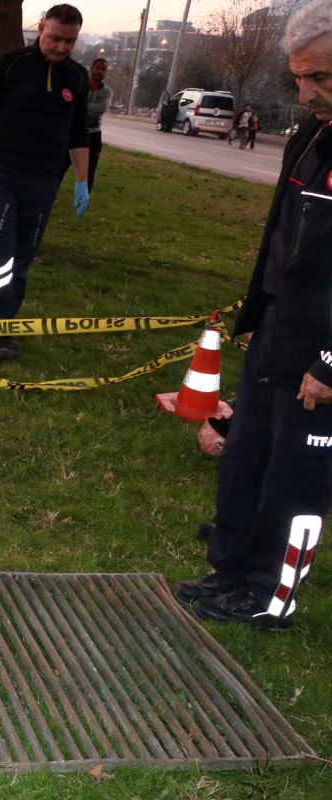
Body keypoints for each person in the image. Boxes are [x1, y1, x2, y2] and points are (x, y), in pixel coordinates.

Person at [175, 0, 332, 631]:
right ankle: (231, 570)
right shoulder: (311, 133)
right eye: (300, 77)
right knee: (246, 458)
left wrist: (328, 363)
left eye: (321, 76)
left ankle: (273, 597)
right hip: (275, 330)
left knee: (295, 482)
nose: (308, 91)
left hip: (320, 355)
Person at [0, 3, 89, 361]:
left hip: (44, 181)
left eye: (68, 41)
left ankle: (7, 319)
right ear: (41, 28)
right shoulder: (12, 64)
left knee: (23, 255)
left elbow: (78, 132)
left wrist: (81, 181)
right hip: (2, 174)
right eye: (55, 38)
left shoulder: (76, 76)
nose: (60, 47)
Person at [59, 58, 112, 190]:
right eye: (98, 68)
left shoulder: (107, 92)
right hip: (73, 132)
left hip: (93, 135)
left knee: (89, 169)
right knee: (60, 165)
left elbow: (102, 107)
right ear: (92, 68)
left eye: (103, 69)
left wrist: (81, 106)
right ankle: (51, 195)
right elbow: (69, 104)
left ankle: (84, 199)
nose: (100, 71)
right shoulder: (80, 85)